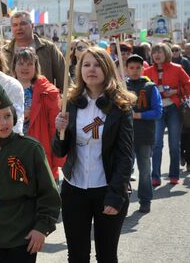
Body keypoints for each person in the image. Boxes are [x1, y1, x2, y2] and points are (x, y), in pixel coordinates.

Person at [53, 46, 136, 262]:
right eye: (86, 64)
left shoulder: (121, 105)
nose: (92, 69)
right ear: (79, 69)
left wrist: (116, 195)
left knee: (107, 255)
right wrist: (59, 130)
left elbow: (125, 156)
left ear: (107, 69)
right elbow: (59, 151)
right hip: (74, 189)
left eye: (98, 64)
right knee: (77, 255)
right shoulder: (70, 103)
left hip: (107, 188)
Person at [0, 84, 60, 263]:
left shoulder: (30, 149)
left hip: (24, 231)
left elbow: (49, 193)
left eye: (7, 116)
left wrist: (42, 227)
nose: (4, 122)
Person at [13, 48, 64, 181]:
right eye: (21, 63)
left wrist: (57, 157)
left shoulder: (47, 92)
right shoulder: (5, 89)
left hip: (39, 147)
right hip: (14, 149)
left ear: (36, 67)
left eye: (30, 64)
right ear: (14, 67)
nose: (25, 67)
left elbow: (55, 127)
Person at [143, 43, 190, 186]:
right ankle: (155, 176)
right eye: (154, 52)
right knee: (157, 144)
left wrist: (176, 91)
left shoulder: (177, 68)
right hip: (157, 110)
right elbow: (142, 91)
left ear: (167, 53)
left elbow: (188, 85)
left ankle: (174, 175)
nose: (157, 55)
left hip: (174, 109)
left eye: (160, 52)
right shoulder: (147, 71)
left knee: (174, 145)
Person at [125, 54, 162, 213]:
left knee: (145, 170)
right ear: (126, 69)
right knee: (124, 170)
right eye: (131, 68)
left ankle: (145, 200)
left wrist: (140, 115)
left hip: (145, 135)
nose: (134, 71)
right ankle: (122, 201)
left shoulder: (150, 87)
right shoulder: (121, 86)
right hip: (125, 135)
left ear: (143, 68)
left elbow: (158, 111)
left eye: (137, 68)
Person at [4, 11, 67, 91]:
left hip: (44, 100)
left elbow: (65, 80)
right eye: (15, 25)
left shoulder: (48, 48)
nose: (19, 28)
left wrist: (62, 100)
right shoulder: (4, 52)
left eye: (23, 23)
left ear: (32, 26)